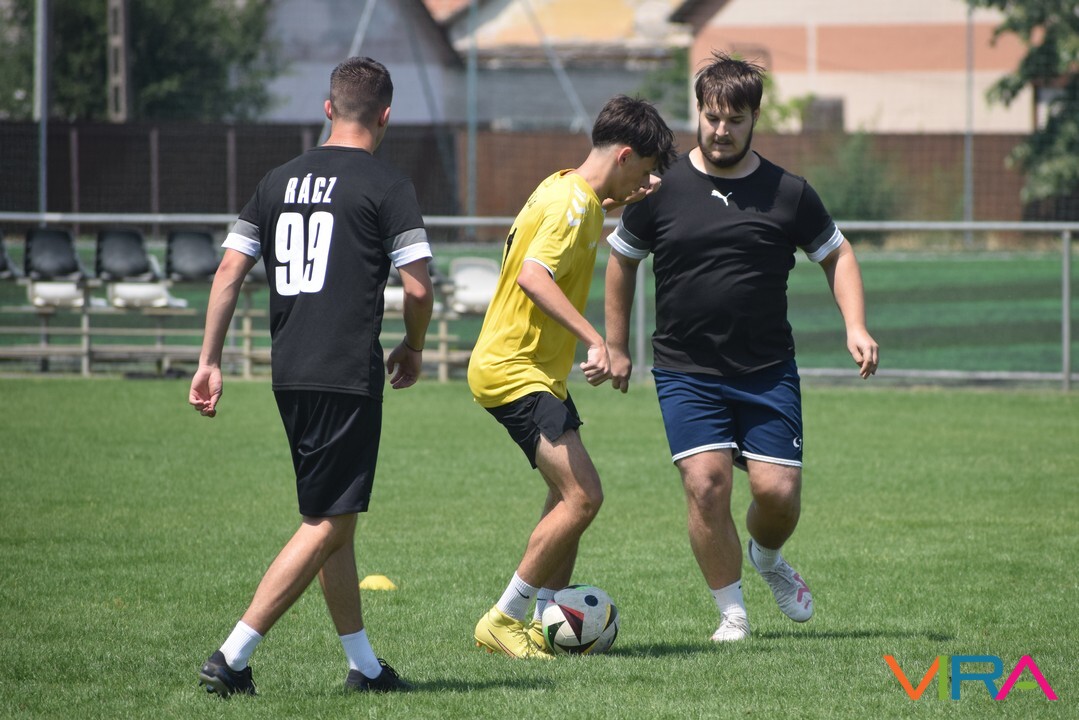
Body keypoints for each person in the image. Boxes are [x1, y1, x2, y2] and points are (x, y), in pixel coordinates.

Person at [605, 52, 879, 643]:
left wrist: (855, 326)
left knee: (777, 495)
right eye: (711, 117)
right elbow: (622, 260)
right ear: (697, 115)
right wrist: (616, 345)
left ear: (755, 118)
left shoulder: (788, 192)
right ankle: (732, 613)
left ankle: (768, 557)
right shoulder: (660, 189)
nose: (721, 130)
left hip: (766, 370)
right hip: (686, 369)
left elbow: (838, 254)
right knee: (706, 485)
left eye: (734, 119)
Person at [189, 56, 434, 695]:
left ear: (328, 109)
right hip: (344, 372)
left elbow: (228, 271)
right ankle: (232, 656)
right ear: (386, 115)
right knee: (327, 523)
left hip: (290, 368)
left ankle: (365, 668)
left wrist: (209, 360)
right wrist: (413, 345)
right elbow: (417, 287)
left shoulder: (276, 180)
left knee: (334, 516)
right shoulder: (387, 184)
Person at [468, 95, 677, 659]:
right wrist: (596, 339)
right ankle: (504, 618)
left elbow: (578, 217)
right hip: (516, 369)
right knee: (584, 497)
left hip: (530, 369)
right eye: (644, 169)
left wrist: (618, 198)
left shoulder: (569, 190)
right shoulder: (572, 205)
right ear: (625, 155)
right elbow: (534, 276)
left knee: (568, 495)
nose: (647, 181)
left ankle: (545, 618)